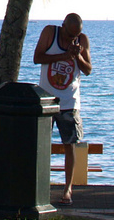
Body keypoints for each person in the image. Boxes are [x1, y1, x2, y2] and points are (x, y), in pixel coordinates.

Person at [34, 12, 91, 206]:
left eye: (75, 35)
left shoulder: (82, 40)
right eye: (69, 35)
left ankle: (68, 189)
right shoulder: (50, 33)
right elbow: (37, 57)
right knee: (40, 146)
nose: (71, 39)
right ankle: (39, 186)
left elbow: (88, 69)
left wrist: (77, 58)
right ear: (63, 26)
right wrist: (64, 55)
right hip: (46, 101)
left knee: (70, 144)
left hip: (69, 103)